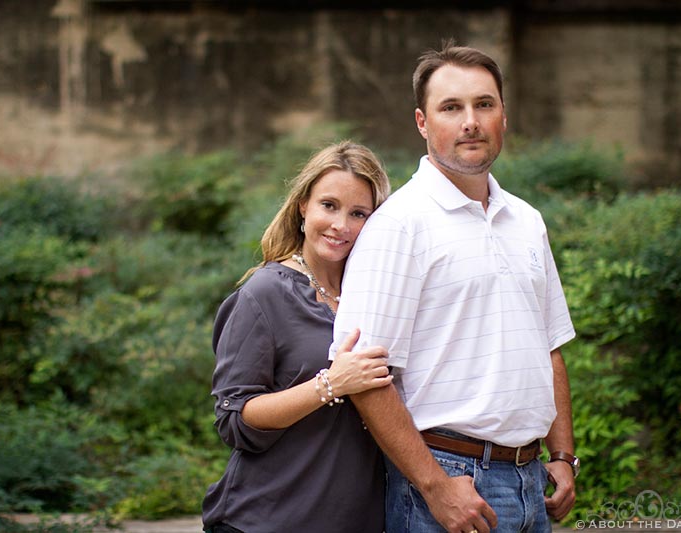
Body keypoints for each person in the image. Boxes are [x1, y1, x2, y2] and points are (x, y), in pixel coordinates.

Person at [330, 40, 579, 533]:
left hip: (533, 480)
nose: (471, 121)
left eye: (484, 104)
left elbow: (547, 347)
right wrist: (435, 485)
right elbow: (363, 375)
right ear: (423, 122)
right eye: (452, 107)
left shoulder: (526, 221)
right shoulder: (399, 226)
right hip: (450, 482)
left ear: (503, 115)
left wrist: (563, 455)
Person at [202, 141, 394, 533]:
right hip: (268, 519)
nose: (341, 224)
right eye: (329, 205)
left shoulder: (378, 297)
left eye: (358, 213)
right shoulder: (264, 294)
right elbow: (234, 418)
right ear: (303, 205)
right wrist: (330, 384)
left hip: (360, 520)